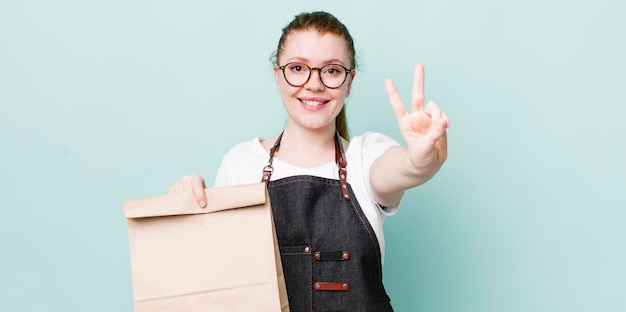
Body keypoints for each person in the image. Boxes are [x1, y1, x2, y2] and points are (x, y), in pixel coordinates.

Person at [168, 11, 449, 311]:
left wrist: (422, 158)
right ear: (278, 76)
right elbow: (215, 279)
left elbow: (406, 168)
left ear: (349, 82)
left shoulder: (365, 157)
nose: (314, 84)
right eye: (298, 68)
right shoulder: (240, 164)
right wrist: (187, 212)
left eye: (331, 70)